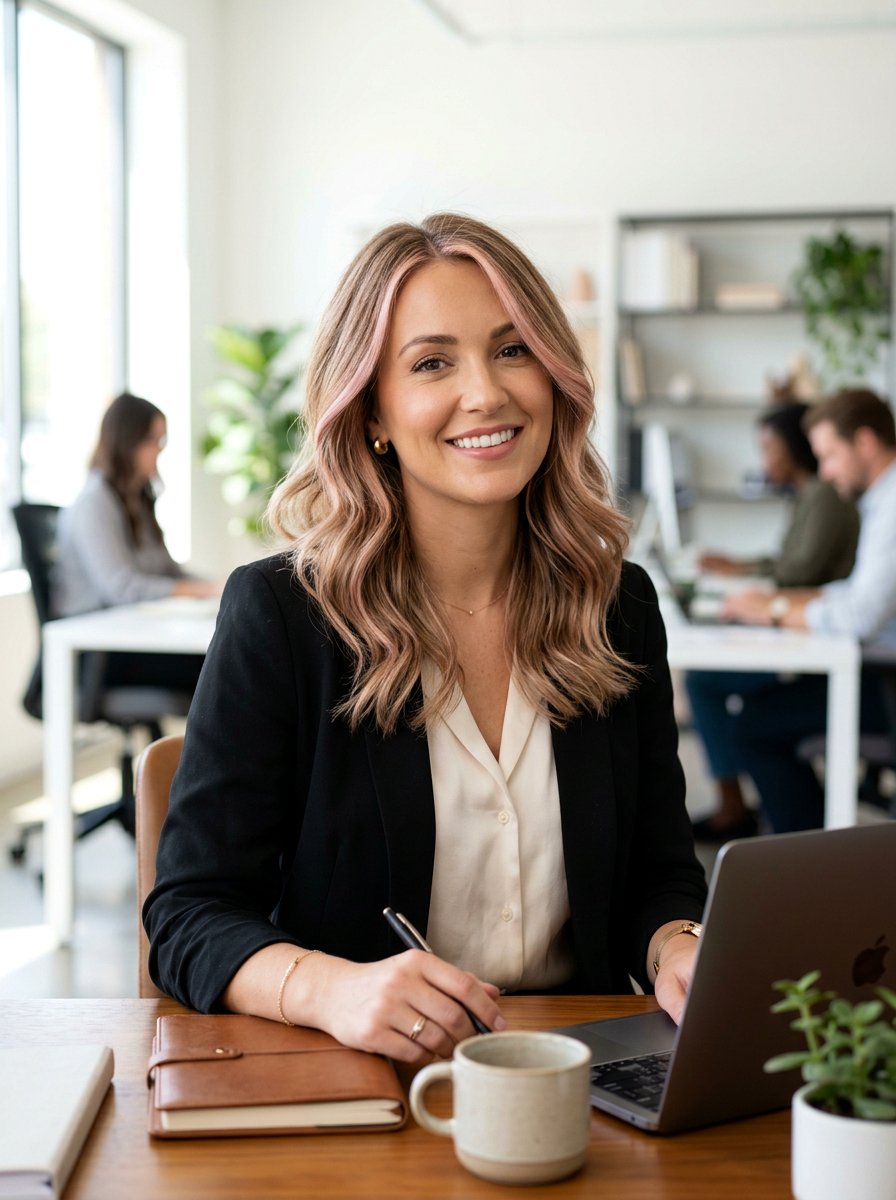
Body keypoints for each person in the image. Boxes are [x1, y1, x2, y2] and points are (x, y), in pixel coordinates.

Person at [144, 214, 707, 1065]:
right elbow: (187, 916)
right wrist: (332, 988)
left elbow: (656, 876)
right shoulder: (284, 616)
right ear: (372, 407)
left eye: (513, 349)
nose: (486, 393)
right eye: (432, 362)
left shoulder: (616, 604)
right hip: (361, 1080)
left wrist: (677, 947)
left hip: (577, 1076)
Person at [719, 389, 896, 832]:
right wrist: (793, 601)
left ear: (866, 443)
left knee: (754, 726)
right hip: (880, 672)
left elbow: (863, 615)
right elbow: (856, 593)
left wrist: (776, 610)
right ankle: (811, 855)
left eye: (831, 454)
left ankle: (808, 868)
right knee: (761, 711)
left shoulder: (891, 505)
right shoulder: (881, 501)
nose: (825, 470)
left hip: (888, 686)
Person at [686, 402, 859, 841]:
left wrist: (763, 599)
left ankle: (742, 810)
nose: (764, 460)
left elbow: (798, 573)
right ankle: (762, 816)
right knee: (712, 684)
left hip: (817, 640)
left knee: (706, 682)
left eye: (769, 447)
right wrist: (740, 570)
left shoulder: (822, 495)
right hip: (811, 627)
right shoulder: (807, 495)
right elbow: (789, 563)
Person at [54, 391, 221, 693]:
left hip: (137, 636)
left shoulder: (138, 500)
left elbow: (170, 571)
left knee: (226, 657)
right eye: (154, 441)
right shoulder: (95, 502)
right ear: (128, 442)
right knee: (220, 667)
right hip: (102, 652)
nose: (160, 450)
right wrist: (199, 590)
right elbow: (121, 587)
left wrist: (222, 587)